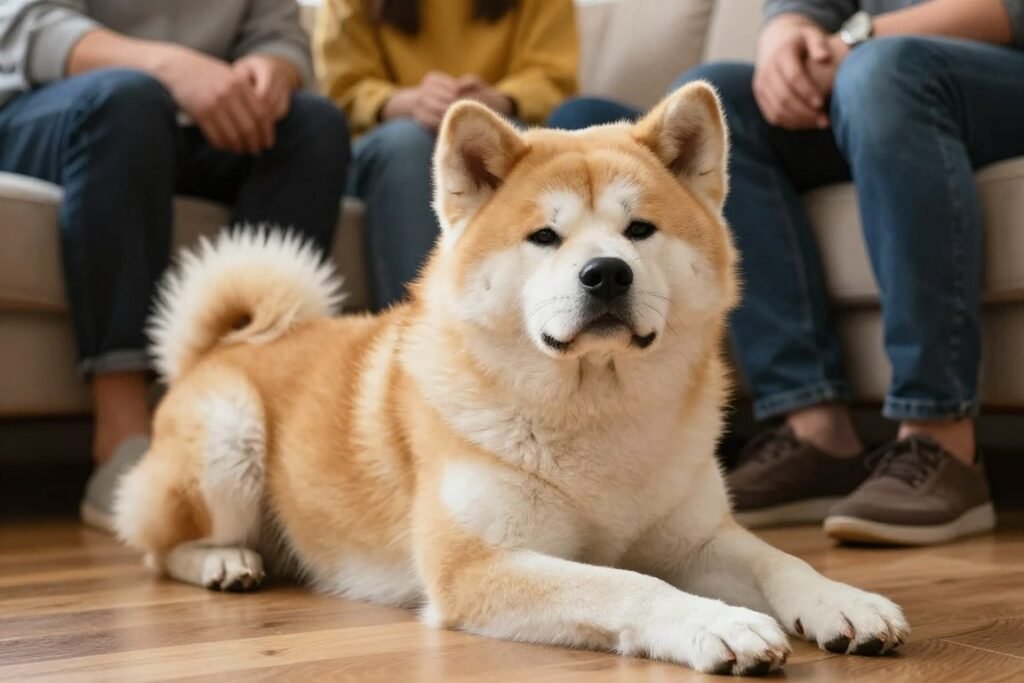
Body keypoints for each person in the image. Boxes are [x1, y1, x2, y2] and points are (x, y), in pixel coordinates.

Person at [549, 0, 1024, 545]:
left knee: (886, 70)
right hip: (864, 78)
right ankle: (815, 432)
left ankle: (942, 438)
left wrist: (856, 40)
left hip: (968, 74)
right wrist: (786, 33)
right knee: (722, 98)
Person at [0, 0, 351, 531]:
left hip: (196, 124)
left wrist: (273, 70)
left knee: (314, 125)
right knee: (130, 100)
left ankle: (226, 419)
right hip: (58, 108)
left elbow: (280, 33)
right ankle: (122, 436)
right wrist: (172, 67)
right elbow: (27, 25)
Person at [315, 0, 577, 310]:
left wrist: (497, 100)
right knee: (406, 144)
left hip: (500, 123)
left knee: (512, 149)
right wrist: (408, 102)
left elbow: (554, 77)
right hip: (390, 139)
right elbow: (342, 87)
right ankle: (416, 323)